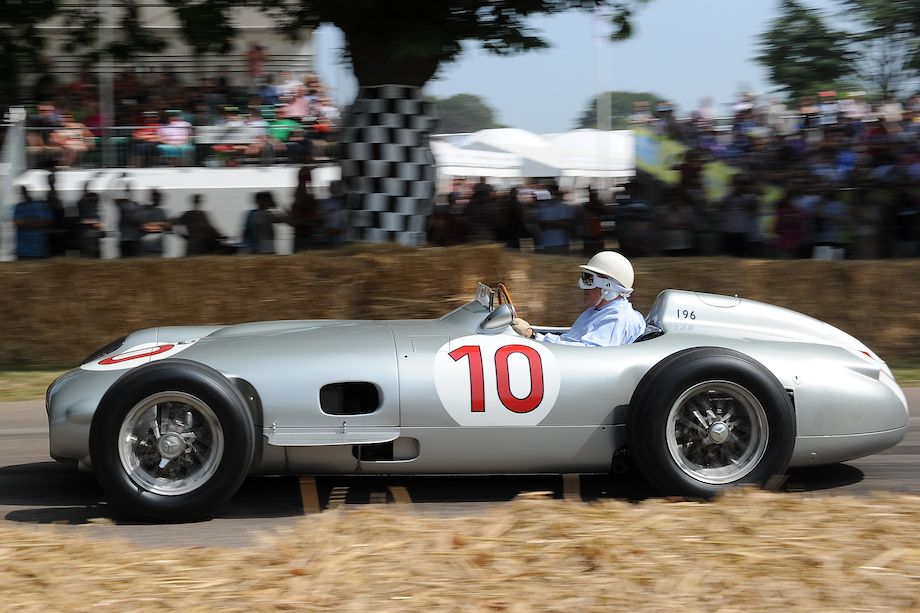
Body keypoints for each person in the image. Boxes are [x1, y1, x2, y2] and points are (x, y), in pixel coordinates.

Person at [511, 251, 646, 347]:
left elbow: (587, 353)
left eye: (589, 280)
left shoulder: (617, 319)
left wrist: (533, 336)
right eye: (584, 278)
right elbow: (570, 340)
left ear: (608, 286)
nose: (582, 286)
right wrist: (533, 334)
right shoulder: (598, 311)